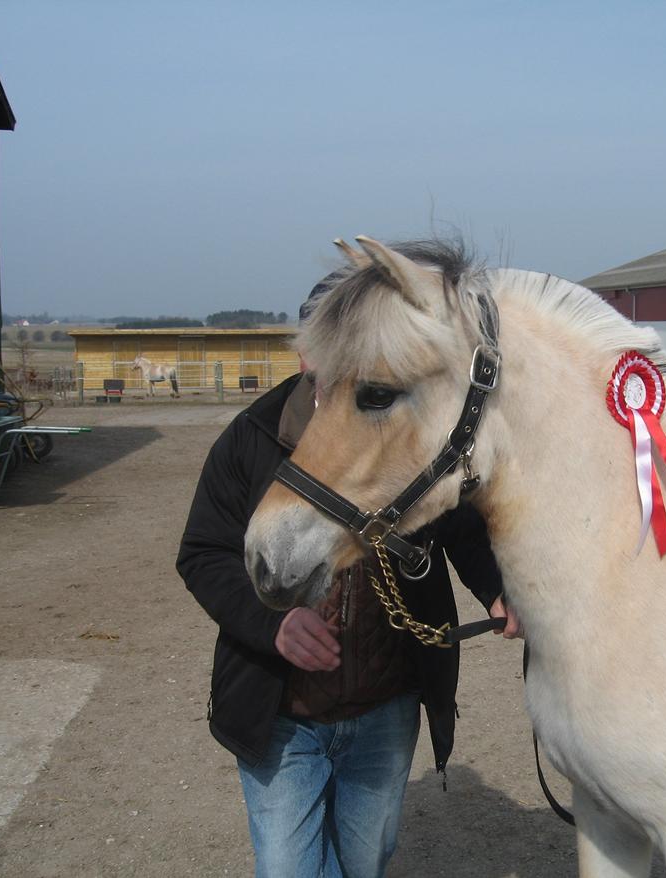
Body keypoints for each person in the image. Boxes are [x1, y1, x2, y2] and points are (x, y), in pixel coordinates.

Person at [176, 268, 519, 878]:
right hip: (282, 712)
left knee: (367, 862)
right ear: (304, 350)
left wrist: (497, 589)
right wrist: (272, 626)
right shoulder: (250, 437)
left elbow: (460, 525)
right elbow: (203, 551)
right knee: (287, 869)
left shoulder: (402, 427)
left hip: (384, 704)